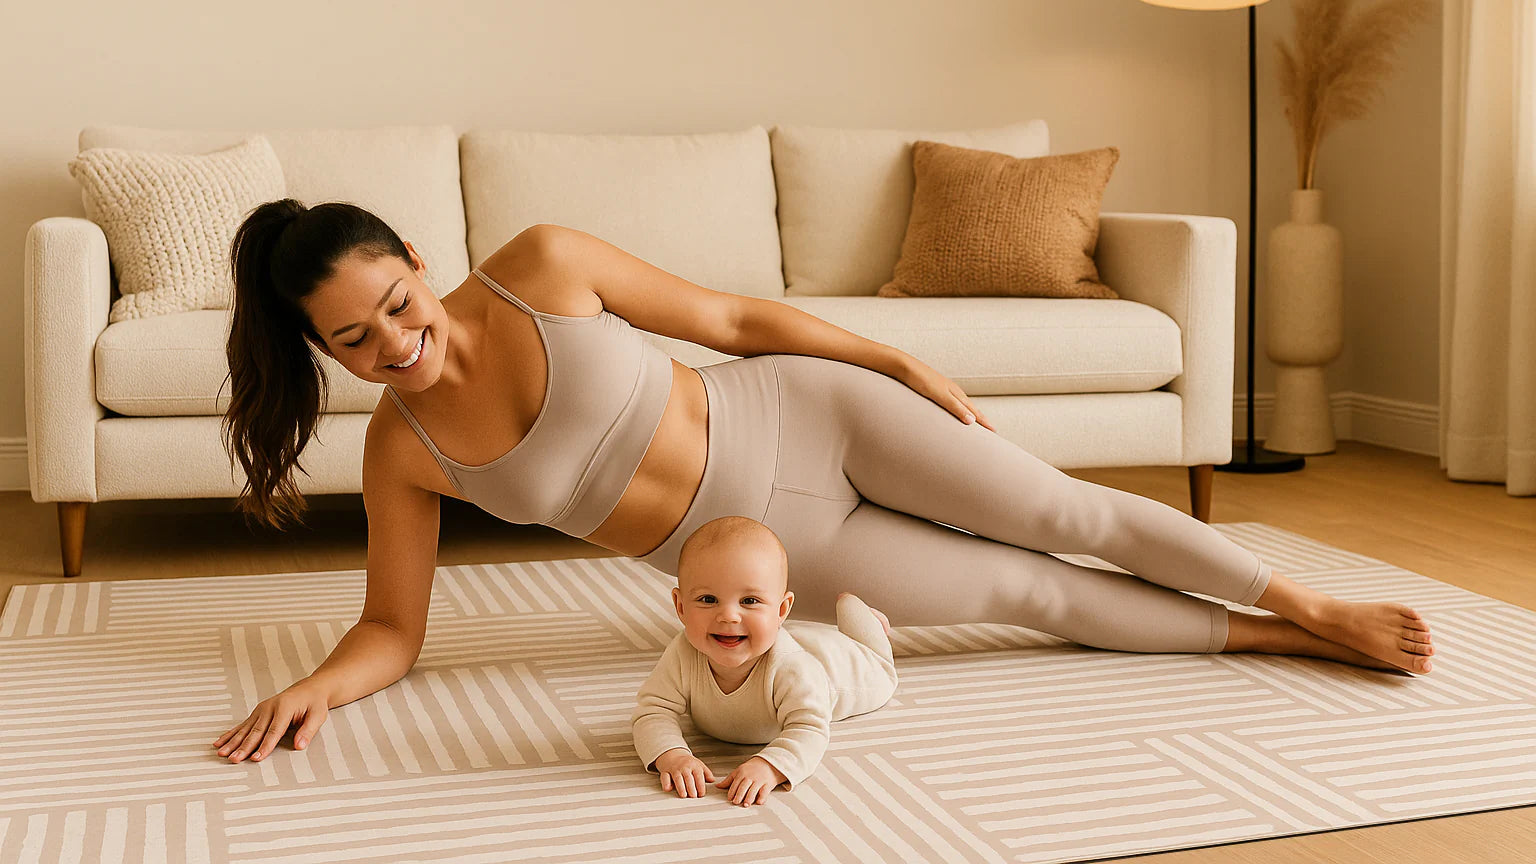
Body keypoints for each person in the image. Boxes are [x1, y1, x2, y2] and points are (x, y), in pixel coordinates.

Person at [212, 199, 1436, 766]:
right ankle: (1277, 642)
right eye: (354, 342)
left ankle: (1312, 602)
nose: (395, 345)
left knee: (1074, 511)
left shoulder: (540, 264)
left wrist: (891, 353)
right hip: (764, 560)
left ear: (419, 264)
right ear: (325, 353)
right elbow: (392, 626)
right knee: (1039, 593)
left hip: (812, 417)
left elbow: (736, 320)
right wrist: (323, 683)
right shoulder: (400, 450)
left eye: (396, 305)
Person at [632, 515, 898, 806]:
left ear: (782, 609)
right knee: (786, 637)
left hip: (845, 668)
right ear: (680, 607)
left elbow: (809, 728)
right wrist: (672, 755)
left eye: (749, 601)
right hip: (784, 638)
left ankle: (868, 621)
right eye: (708, 599)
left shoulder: (794, 668)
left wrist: (770, 766)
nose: (728, 616)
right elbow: (652, 711)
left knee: (876, 661)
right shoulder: (684, 652)